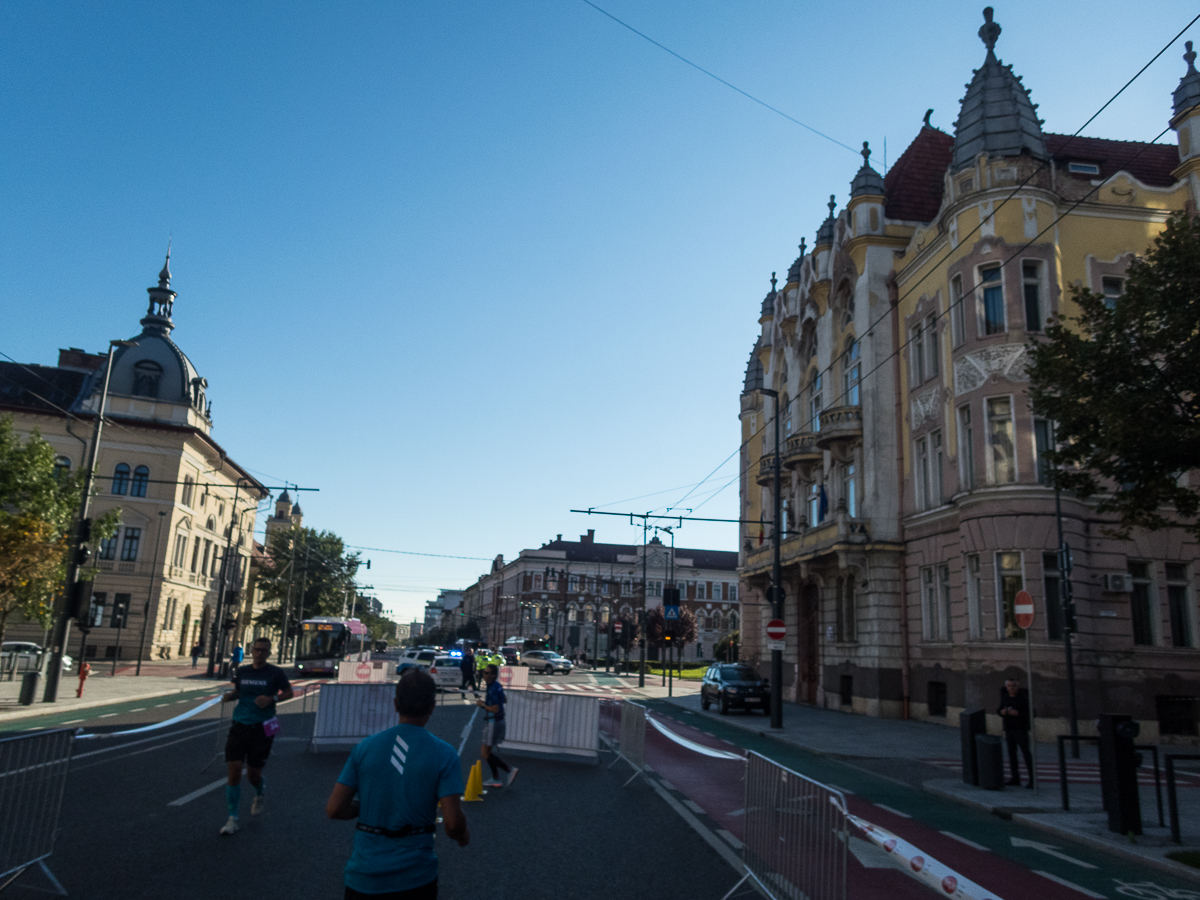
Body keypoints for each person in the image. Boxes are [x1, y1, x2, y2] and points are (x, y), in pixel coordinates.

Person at [327, 668, 469, 899]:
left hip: (363, 877)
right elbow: (453, 823)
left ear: (395, 704)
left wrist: (373, 806)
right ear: (432, 706)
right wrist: (463, 836)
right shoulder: (445, 754)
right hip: (415, 878)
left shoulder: (365, 748)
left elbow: (334, 808)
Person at [219, 637, 293, 834]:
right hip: (240, 724)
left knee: (253, 773)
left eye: (264, 651)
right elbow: (238, 692)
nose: (260, 653)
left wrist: (272, 698)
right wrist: (229, 696)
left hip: (263, 726)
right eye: (257, 650)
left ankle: (260, 792)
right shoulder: (242, 671)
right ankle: (232, 818)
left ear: (269, 654)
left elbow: (289, 692)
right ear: (252, 651)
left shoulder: (275, 673)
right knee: (234, 769)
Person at [476, 664, 517, 789]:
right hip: (499, 721)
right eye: (484, 672)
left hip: (493, 722)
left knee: (485, 753)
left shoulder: (493, 688)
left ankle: (508, 770)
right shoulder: (497, 686)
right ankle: (495, 778)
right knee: (488, 752)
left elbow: (495, 709)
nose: (484, 674)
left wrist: (482, 705)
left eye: (487, 673)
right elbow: (504, 699)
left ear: (493, 675)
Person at [998, 677, 1034, 788]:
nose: (1011, 688)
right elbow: (999, 709)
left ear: (1017, 687)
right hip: (1009, 729)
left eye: (1013, 686)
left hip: (1021, 729)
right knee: (1011, 754)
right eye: (1009, 686)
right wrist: (1002, 712)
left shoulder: (1023, 698)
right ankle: (1015, 778)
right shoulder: (1005, 697)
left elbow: (1031, 713)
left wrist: (1018, 713)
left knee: (1026, 753)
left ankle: (1032, 780)